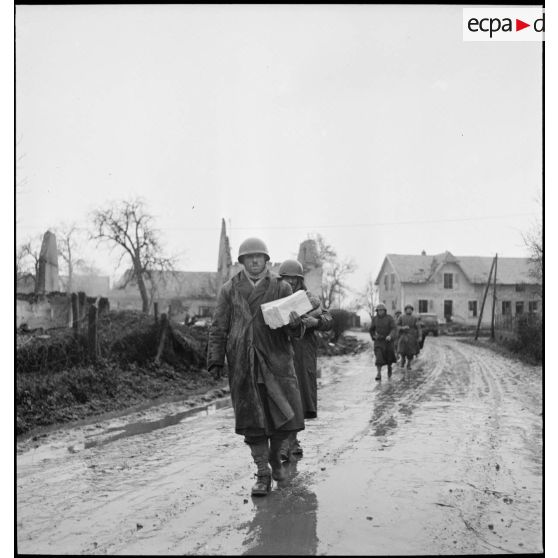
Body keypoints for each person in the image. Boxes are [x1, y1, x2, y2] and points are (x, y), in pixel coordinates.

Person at [207, 237, 305, 497]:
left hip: (277, 361)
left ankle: (275, 458)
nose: (253, 261)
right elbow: (219, 326)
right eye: (248, 257)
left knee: (286, 417)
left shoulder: (281, 287)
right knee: (253, 422)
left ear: (266, 260)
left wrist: (295, 323)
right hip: (243, 362)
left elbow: (295, 330)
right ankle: (263, 472)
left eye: (258, 257)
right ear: (241, 262)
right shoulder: (230, 289)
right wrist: (216, 358)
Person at [278, 259, 333, 460]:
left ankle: (291, 441)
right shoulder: (275, 299)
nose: (291, 282)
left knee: (299, 397)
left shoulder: (310, 299)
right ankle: (285, 441)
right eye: (286, 278)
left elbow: (329, 320)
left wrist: (315, 321)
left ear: (300, 280)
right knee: (281, 397)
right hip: (280, 352)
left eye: (294, 279)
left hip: (303, 354)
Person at [369, 303, 397, 381]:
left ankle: (389, 367)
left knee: (389, 356)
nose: (380, 312)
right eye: (379, 310)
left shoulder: (389, 318)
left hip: (388, 341)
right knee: (378, 357)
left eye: (382, 310)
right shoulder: (375, 319)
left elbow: (394, 328)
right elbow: (371, 329)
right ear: (377, 311)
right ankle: (378, 373)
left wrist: (390, 335)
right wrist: (373, 336)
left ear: (385, 311)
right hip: (379, 341)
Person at [396, 304, 422, 370]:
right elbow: (397, 326)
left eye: (410, 309)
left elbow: (419, 328)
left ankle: (409, 364)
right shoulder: (401, 317)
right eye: (407, 309)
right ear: (405, 310)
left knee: (411, 351)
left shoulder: (415, 318)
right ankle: (402, 359)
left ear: (412, 310)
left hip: (412, 337)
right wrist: (402, 328)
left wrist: (420, 336)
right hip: (403, 335)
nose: (409, 310)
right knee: (402, 349)